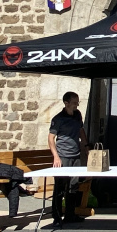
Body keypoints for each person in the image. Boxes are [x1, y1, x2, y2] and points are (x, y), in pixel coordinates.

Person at [47, 91, 89, 224]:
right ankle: (57, 217)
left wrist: (86, 146)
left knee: (73, 186)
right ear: (66, 103)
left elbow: (81, 131)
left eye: (78, 102)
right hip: (63, 156)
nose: (77, 104)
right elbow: (51, 138)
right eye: (74, 102)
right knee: (60, 187)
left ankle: (70, 215)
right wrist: (56, 157)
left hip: (76, 155)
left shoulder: (77, 115)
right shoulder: (58, 119)